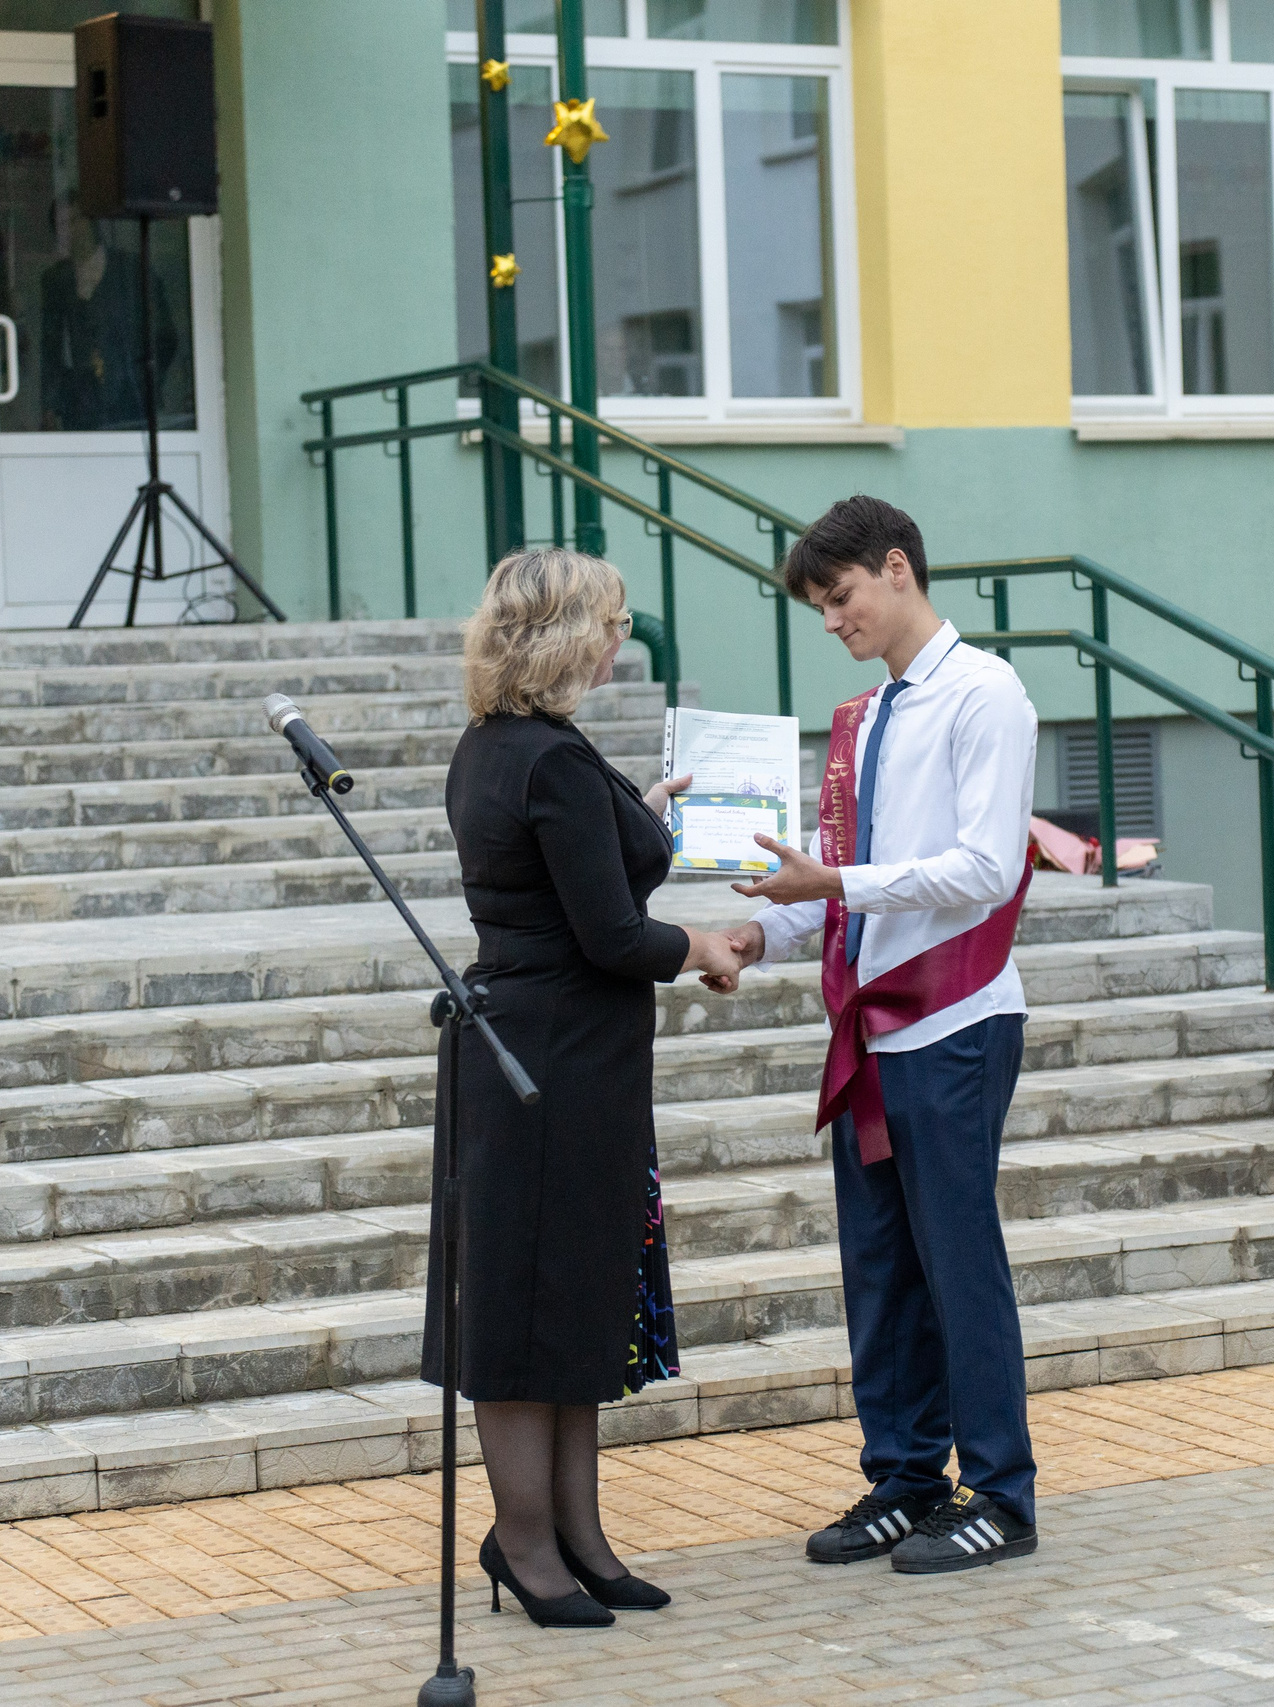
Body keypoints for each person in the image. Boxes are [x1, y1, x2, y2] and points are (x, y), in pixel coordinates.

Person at [717, 495, 1043, 1574]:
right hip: (874, 1031)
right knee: (881, 1266)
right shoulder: (868, 717)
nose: (830, 620)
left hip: (952, 1020)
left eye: (839, 595)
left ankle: (1000, 1490)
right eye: (819, 604)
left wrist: (837, 880)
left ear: (897, 569)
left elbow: (988, 867)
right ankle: (904, 1477)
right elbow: (837, 880)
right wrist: (759, 928)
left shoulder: (983, 694)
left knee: (958, 1263)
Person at [433, 548, 749, 1627]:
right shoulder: (551, 760)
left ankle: (579, 1535)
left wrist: (641, 813)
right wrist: (703, 940)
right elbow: (609, 934)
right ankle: (525, 1543)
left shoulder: (500, 747)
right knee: (529, 1305)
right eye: (610, 622)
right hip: (552, 1061)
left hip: (555, 1052)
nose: (622, 638)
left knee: (571, 1295)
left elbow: (560, 881)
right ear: (567, 633)